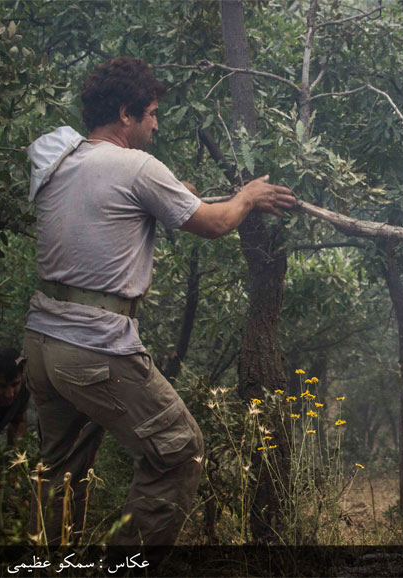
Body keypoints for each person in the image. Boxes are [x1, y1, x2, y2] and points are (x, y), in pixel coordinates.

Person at [23, 56, 295, 546]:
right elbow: (215, 223)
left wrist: (175, 195)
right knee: (180, 450)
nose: (155, 122)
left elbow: (115, 212)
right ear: (125, 114)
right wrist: (249, 195)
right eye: (150, 112)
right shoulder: (135, 166)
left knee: (61, 478)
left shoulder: (64, 163)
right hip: (95, 345)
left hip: (44, 342)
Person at [0, 348, 29, 460]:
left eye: (15, 384)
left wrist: (14, 457)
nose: (10, 394)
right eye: (1, 386)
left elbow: (19, 421)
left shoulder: (24, 387)